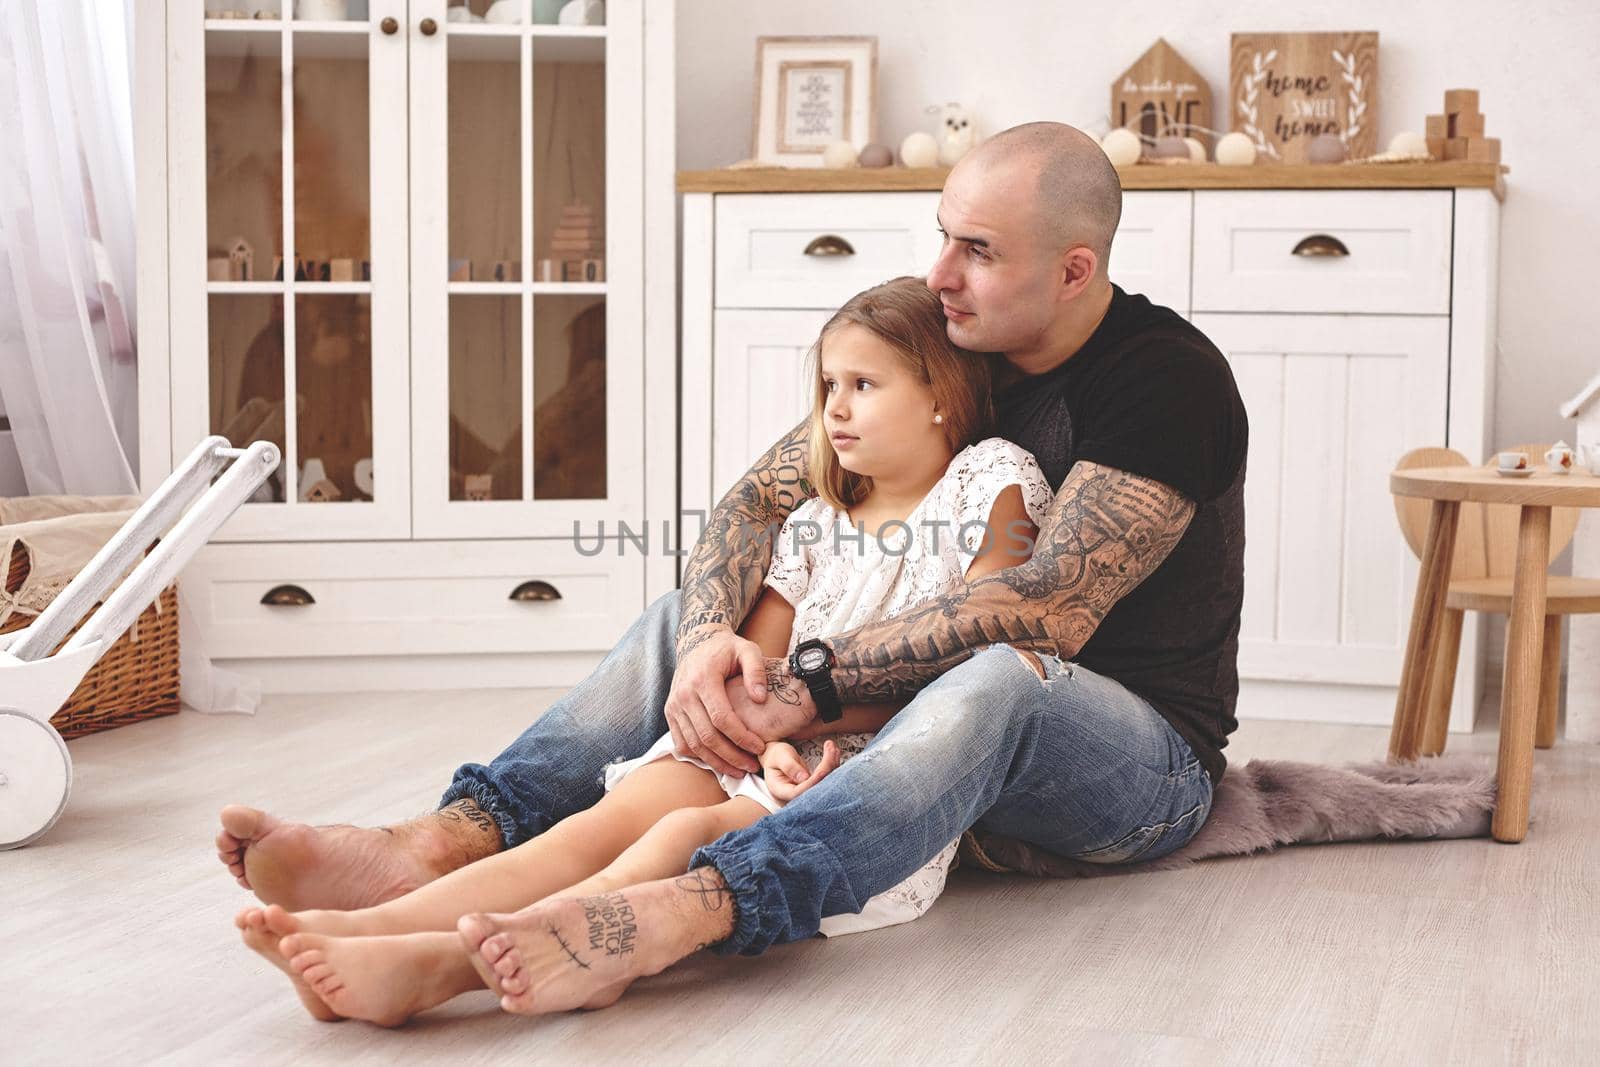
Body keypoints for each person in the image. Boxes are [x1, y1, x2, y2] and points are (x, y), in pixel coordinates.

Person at [215, 121, 1249, 1017]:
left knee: (1001, 675)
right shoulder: (956, 343)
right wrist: (716, 638)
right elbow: (762, 500)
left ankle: (685, 909)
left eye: (976, 249)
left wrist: (805, 690)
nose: (940, 274)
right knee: (681, 614)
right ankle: (442, 842)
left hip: (1132, 762)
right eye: (942, 235)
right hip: (900, 716)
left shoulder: (1163, 380)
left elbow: (1045, 608)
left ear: (1073, 269)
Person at [234, 277, 1053, 1025]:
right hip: (769, 744)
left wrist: (801, 743)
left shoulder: (991, 482)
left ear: (942, 397)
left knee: (680, 835)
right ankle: (372, 924)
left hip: (871, 761)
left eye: (863, 386)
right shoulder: (814, 520)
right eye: (828, 386)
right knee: (602, 822)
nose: (834, 409)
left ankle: (438, 966)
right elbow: (755, 663)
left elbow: (972, 651)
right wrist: (765, 737)